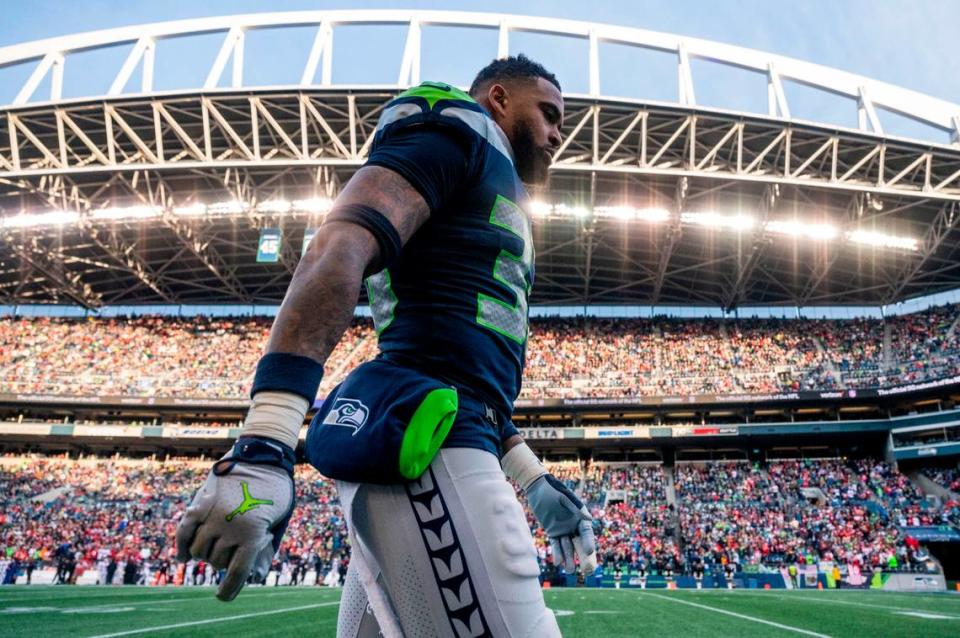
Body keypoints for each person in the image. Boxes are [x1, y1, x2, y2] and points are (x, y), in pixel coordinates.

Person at [176, 54, 596, 636]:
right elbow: (337, 245)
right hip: (429, 450)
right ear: (498, 99)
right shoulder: (456, 129)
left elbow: (463, 370)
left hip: (444, 432)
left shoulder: (492, 182)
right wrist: (267, 438)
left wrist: (531, 477)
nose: (557, 134)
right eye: (548, 114)